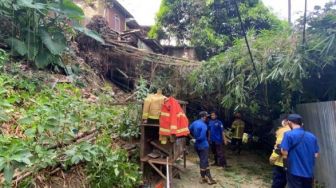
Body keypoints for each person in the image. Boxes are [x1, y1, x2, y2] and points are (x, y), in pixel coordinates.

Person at [281, 114, 319, 188]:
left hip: (294, 172)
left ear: (289, 122)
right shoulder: (312, 136)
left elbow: (284, 151)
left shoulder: (288, 135)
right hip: (309, 173)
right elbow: (316, 154)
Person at [189, 111, 216, 185]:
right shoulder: (204, 125)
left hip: (196, 146)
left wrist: (192, 138)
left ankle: (209, 177)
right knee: (203, 162)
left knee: (204, 160)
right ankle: (203, 178)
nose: (207, 118)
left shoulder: (194, 123)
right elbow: (202, 137)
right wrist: (196, 139)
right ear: (204, 117)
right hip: (203, 146)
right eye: (207, 116)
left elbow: (188, 131)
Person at [269, 118, 291, 188]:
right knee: (284, 182)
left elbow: (279, 148)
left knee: (277, 183)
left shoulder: (282, 131)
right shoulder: (295, 131)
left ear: (286, 122)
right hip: (290, 163)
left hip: (280, 162)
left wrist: (272, 159)